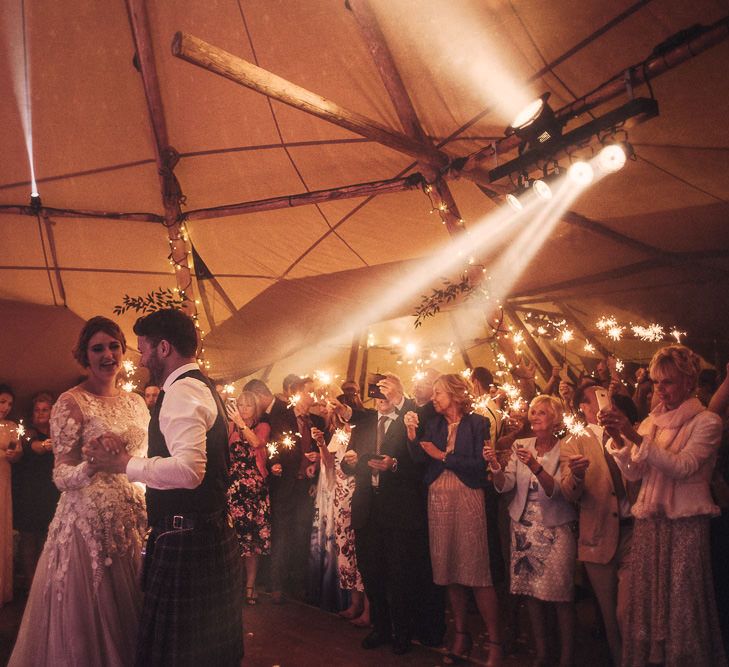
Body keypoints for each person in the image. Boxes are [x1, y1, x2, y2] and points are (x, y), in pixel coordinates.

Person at [85, 308, 244, 666]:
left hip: (187, 540)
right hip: (205, 534)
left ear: (164, 348)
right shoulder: (201, 386)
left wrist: (125, 464)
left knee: (180, 655)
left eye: (144, 349)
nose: (141, 359)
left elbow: (189, 471)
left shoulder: (183, 392)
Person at [9, 317, 148, 666]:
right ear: (84, 355)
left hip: (130, 523)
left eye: (113, 346)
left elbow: (141, 461)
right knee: (89, 621)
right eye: (97, 348)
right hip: (86, 528)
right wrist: (92, 464)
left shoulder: (136, 403)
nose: (107, 354)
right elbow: (60, 474)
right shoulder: (71, 402)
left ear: (123, 350)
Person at [599, 345, 726, 666]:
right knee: (646, 608)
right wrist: (617, 439)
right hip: (650, 526)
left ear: (688, 382)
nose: (660, 390)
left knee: (681, 609)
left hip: (685, 526)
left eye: (667, 382)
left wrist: (634, 435)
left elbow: (683, 467)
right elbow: (634, 472)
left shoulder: (706, 422)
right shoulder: (651, 422)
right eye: (656, 382)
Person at [342, 374, 443, 655]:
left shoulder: (412, 418)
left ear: (399, 393)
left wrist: (394, 464)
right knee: (371, 571)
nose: (380, 396)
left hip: (399, 508)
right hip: (367, 507)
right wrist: (349, 461)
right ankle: (381, 627)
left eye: (386, 390)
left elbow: (420, 462)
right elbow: (348, 463)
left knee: (400, 574)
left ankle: (402, 632)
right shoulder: (363, 423)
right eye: (377, 392)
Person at [405, 374, 502, 666]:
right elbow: (421, 460)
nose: (433, 398)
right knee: (448, 570)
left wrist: (443, 456)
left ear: (456, 394)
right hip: (438, 500)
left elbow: (478, 465)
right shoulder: (433, 424)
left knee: (477, 573)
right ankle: (461, 634)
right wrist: (412, 438)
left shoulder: (477, 424)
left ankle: (496, 641)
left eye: (438, 393)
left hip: (468, 498)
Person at [485, 395, 577, 667]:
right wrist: (495, 467)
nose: (535, 416)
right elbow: (506, 485)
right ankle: (542, 653)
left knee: (562, 595)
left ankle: (567, 657)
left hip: (556, 526)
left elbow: (560, 492)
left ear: (555, 419)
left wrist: (536, 466)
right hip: (523, 527)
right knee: (531, 593)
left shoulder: (567, 448)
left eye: (543, 413)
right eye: (533, 411)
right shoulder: (519, 445)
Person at [559, 385, 640, 666]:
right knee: (608, 615)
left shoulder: (628, 432)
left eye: (609, 396)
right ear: (585, 407)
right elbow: (569, 493)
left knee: (627, 611)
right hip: (597, 534)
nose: (607, 403)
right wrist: (577, 476)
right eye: (599, 398)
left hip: (633, 531)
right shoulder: (573, 442)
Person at [268, 376, 325, 604]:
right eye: (309, 392)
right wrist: (274, 463)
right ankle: (276, 585)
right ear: (297, 394)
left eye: (314, 393)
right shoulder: (281, 417)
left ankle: (297, 583)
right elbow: (272, 445)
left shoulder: (317, 422)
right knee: (281, 534)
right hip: (285, 485)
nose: (312, 396)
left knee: (301, 535)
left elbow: (326, 453)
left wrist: (316, 463)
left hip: (305, 488)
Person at [10, 392, 60, 591]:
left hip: (50, 492)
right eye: (37, 410)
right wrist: (47, 445)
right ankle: (31, 581)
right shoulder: (28, 432)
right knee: (29, 537)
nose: (41, 413)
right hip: (29, 492)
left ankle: (43, 580)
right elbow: (35, 446)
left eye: (45, 409)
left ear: (52, 411)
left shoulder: (58, 432)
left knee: (47, 537)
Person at [226, 390, 272, 606]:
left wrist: (241, 424)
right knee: (234, 539)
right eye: (240, 405)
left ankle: (250, 586)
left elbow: (256, 443)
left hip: (254, 490)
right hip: (234, 489)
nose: (243, 409)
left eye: (247, 406)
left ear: (255, 408)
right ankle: (233, 585)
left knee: (252, 541)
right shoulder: (231, 427)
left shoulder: (262, 426)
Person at [0, 384, 19, 607]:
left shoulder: (13, 427)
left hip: (4, 479)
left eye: (10, 404)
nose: (6, 407)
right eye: (2, 402)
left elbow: (17, 454)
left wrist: (14, 455)